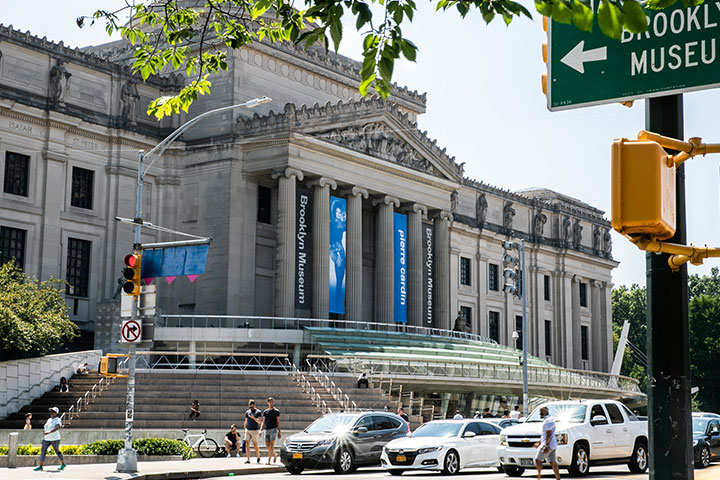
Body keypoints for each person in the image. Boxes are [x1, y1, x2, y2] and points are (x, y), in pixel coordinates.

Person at [33, 407, 66, 471]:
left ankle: (63, 464)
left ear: (56, 413)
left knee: (57, 451)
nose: (51, 413)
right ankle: (40, 466)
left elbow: (57, 427)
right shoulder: (49, 419)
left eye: (53, 412)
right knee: (43, 451)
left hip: (55, 438)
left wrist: (49, 432)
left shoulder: (57, 419)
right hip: (46, 439)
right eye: (50, 412)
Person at [533, 406, 561, 480]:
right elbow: (545, 435)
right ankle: (558, 478)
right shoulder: (549, 419)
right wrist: (539, 442)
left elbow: (548, 434)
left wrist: (545, 446)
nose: (540, 413)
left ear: (545, 411)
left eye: (541, 411)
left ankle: (538, 477)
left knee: (537, 460)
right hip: (552, 445)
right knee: (553, 462)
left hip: (548, 445)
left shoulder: (548, 421)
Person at [260, 397, 281, 465]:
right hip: (267, 429)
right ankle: (274, 454)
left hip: (273, 429)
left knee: (272, 445)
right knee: (267, 446)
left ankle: (269, 460)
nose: (271, 403)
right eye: (270, 402)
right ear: (268, 403)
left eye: (272, 402)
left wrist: (279, 431)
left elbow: (278, 422)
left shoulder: (276, 412)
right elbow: (263, 422)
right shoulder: (265, 412)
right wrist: (261, 430)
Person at [244, 399, 262, 464]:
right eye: (249, 406)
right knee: (247, 444)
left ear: (254, 405)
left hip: (255, 430)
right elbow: (245, 421)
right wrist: (244, 430)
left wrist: (253, 417)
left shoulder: (258, 412)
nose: (250, 407)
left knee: (255, 445)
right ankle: (248, 459)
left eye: (251, 406)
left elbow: (259, 422)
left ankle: (258, 455)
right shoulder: (247, 412)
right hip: (248, 430)